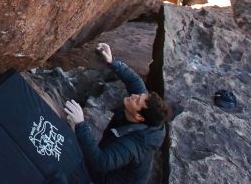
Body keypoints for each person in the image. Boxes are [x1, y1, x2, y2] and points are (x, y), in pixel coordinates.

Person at [63, 43, 171, 184]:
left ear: (139, 116)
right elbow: (134, 80)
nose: (135, 95)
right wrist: (112, 61)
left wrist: (80, 125)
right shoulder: (146, 115)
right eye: (141, 95)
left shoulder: (133, 146)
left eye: (137, 100)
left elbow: (101, 162)